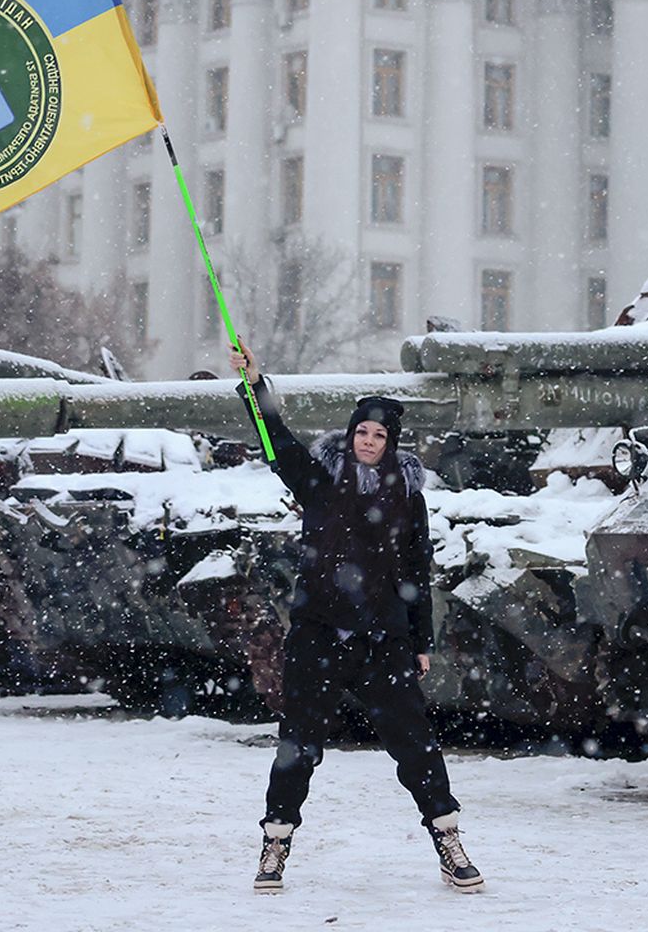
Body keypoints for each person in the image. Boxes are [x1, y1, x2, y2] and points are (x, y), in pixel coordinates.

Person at [229, 341, 482, 895]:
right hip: (318, 632)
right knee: (298, 746)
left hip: (383, 637)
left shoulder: (406, 497)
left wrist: (421, 639)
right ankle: (275, 845)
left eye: (379, 436)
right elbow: (278, 444)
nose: (368, 442)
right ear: (351, 436)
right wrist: (254, 384)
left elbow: (417, 567)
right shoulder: (318, 482)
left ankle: (448, 841)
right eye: (362, 433)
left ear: (391, 444)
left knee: (415, 744)